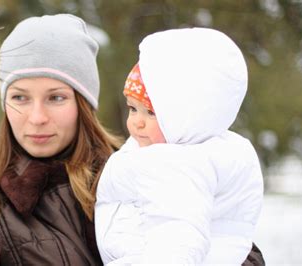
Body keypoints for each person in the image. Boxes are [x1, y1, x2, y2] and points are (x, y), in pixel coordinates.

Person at [0, 16, 265, 265]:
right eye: (20, 98)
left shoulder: (143, 169)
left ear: (83, 104)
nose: (36, 117)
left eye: (56, 98)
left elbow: (235, 248)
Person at [94, 27, 264, 265]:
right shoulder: (174, 150)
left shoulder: (178, 164)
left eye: (152, 113)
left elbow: (177, 241)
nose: (137, 122)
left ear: (187, 116)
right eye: (133, 109)